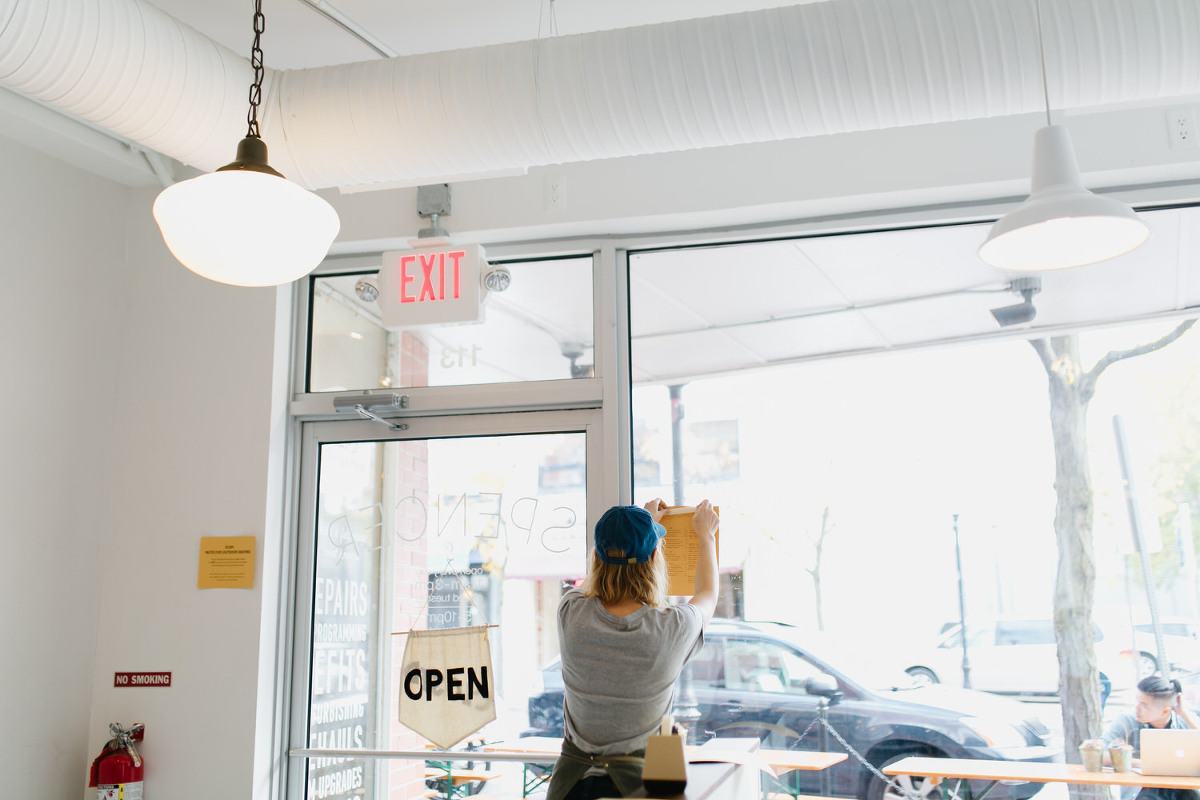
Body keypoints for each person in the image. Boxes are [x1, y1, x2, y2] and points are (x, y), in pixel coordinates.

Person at [545, 498, 720, 800]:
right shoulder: (670, 628)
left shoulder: (570, 612)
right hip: (636, 789)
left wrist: (641, 523)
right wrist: (705, 535)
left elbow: (596, 578)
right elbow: (707, 594)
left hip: (569, 788)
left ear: (596, 558)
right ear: (655, 556)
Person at [1101, 675, 1199, 800]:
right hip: (1140, 793)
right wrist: (1140, 764)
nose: (1136, 708)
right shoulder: (1126, 721)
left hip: (1183, 792)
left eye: (1144, 705)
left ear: (1165, 711)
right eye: (1137, 701)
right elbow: (1100, 754)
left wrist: (1185, 715)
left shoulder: (1184, 722)